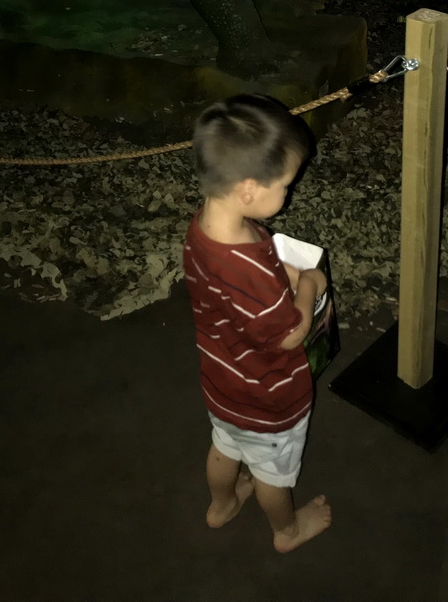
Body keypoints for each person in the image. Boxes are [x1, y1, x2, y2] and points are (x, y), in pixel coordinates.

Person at [183, 93, 332, 553]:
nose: (288, 193)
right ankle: (287, 532)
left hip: (222, 380)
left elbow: (249, 276)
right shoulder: (246, 271)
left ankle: (221, 505)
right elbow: (290, 335)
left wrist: (280, 272)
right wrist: (309, 283)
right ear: (248, 188)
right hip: (268, 397)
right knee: (272, 473)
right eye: (285, 185)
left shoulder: (205, 229)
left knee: (225, 445)